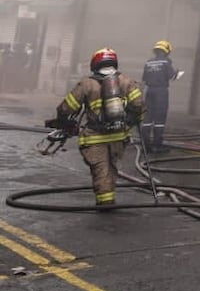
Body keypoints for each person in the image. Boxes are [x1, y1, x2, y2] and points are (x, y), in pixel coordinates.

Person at [46, 48, 144, 208]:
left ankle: (105, 205)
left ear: (95, 63)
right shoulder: (127, 81)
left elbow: (66, 108)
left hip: (95, 137)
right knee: (111, 169)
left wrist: (62, 121)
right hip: (119, 137)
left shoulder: (87, 84)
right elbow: (139, 106)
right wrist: (130, 122)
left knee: (101, 170)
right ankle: (108, 200)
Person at [141, 40, 178, 152]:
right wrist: (177, 73)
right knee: (159, 119)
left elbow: (144, 79)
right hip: (161, 92)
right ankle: (157, 145)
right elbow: (172, 77)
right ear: (166, 51)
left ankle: (145, 145)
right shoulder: (166, 62)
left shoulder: (149, 62)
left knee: (147, 118)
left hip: (149, 91)